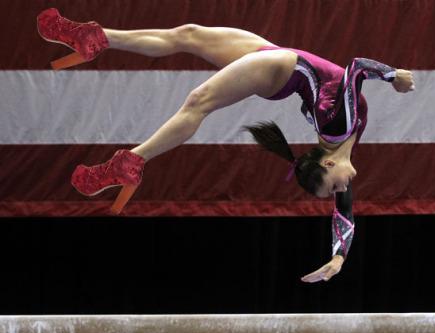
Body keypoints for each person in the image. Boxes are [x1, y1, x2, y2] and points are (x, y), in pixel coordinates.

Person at [37, 8, 415, 283]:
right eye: (336, 188)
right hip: (280, 62)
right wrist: (394, 75)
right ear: (328, 166)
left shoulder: (339, 134)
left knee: (198, 100)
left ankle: (132, 161)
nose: (344, 189)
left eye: (336, 189)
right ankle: (99, 38)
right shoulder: (342, 127)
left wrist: (338, 256)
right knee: (186, 33)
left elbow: (342, 212)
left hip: (280, 68)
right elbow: (357, 67)